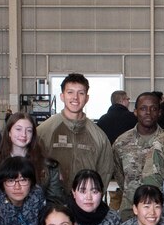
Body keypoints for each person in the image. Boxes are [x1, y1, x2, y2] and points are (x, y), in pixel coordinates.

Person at [38, 72, 122, 200]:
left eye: (81, 93)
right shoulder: (43, 132)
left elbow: (105, 172)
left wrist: (91, 200)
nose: (75, 98)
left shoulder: (99, 137)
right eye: (70, 92)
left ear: (87, 98)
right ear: (62, 96)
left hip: (85, 206)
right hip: (52, 207)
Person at [114, 91, 164, 201]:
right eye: (143, 108)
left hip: (161, 207)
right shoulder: (121, 142)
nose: (148, 112)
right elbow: (118, 174)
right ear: (135, 112)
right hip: (130, 206)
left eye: (153, 109)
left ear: (159, 112)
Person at [0, 111, 55, 194]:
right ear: (9, 132)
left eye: (29, 130)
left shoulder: (48, 166)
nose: (23, 134)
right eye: (18, 129)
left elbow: (55, 200)